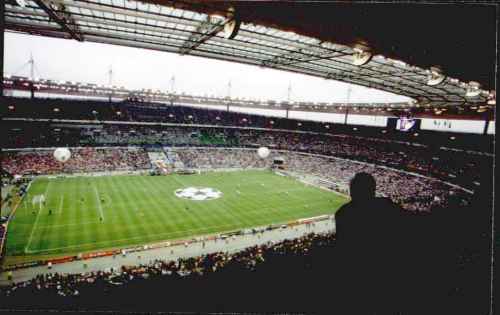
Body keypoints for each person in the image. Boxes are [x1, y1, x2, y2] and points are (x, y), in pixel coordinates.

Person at [333, 172, 410, 312]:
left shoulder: (343, 213)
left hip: (357, 278)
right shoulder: (389, 207)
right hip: (389, 276)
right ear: (373, 190)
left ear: (352, 191)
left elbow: (342, 249)